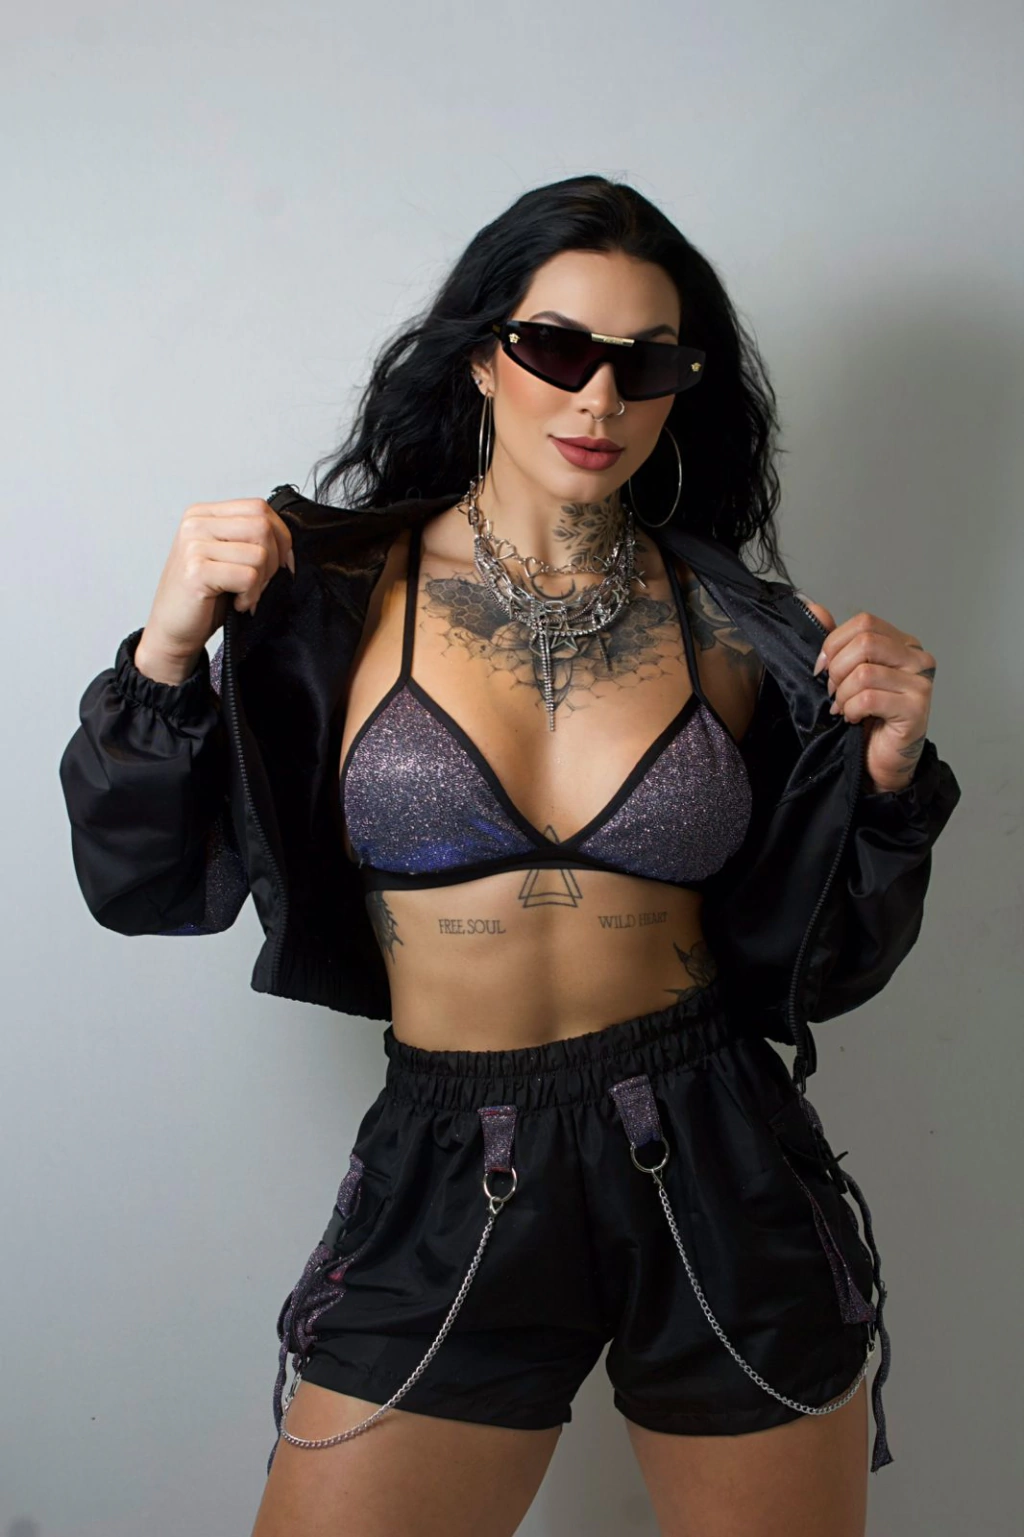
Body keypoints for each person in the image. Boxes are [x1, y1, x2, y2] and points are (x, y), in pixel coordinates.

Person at [59, 175, 961, 1537]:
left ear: (682, 389)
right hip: (449, 1160)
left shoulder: (741, 628)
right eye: (557, 348)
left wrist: (886, 781)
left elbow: (822, 968)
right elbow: (142, 886)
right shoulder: (334, 597)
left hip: (718, 1156)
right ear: (483, 355)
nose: (599, 399)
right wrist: (167, 652)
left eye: (646, 364)